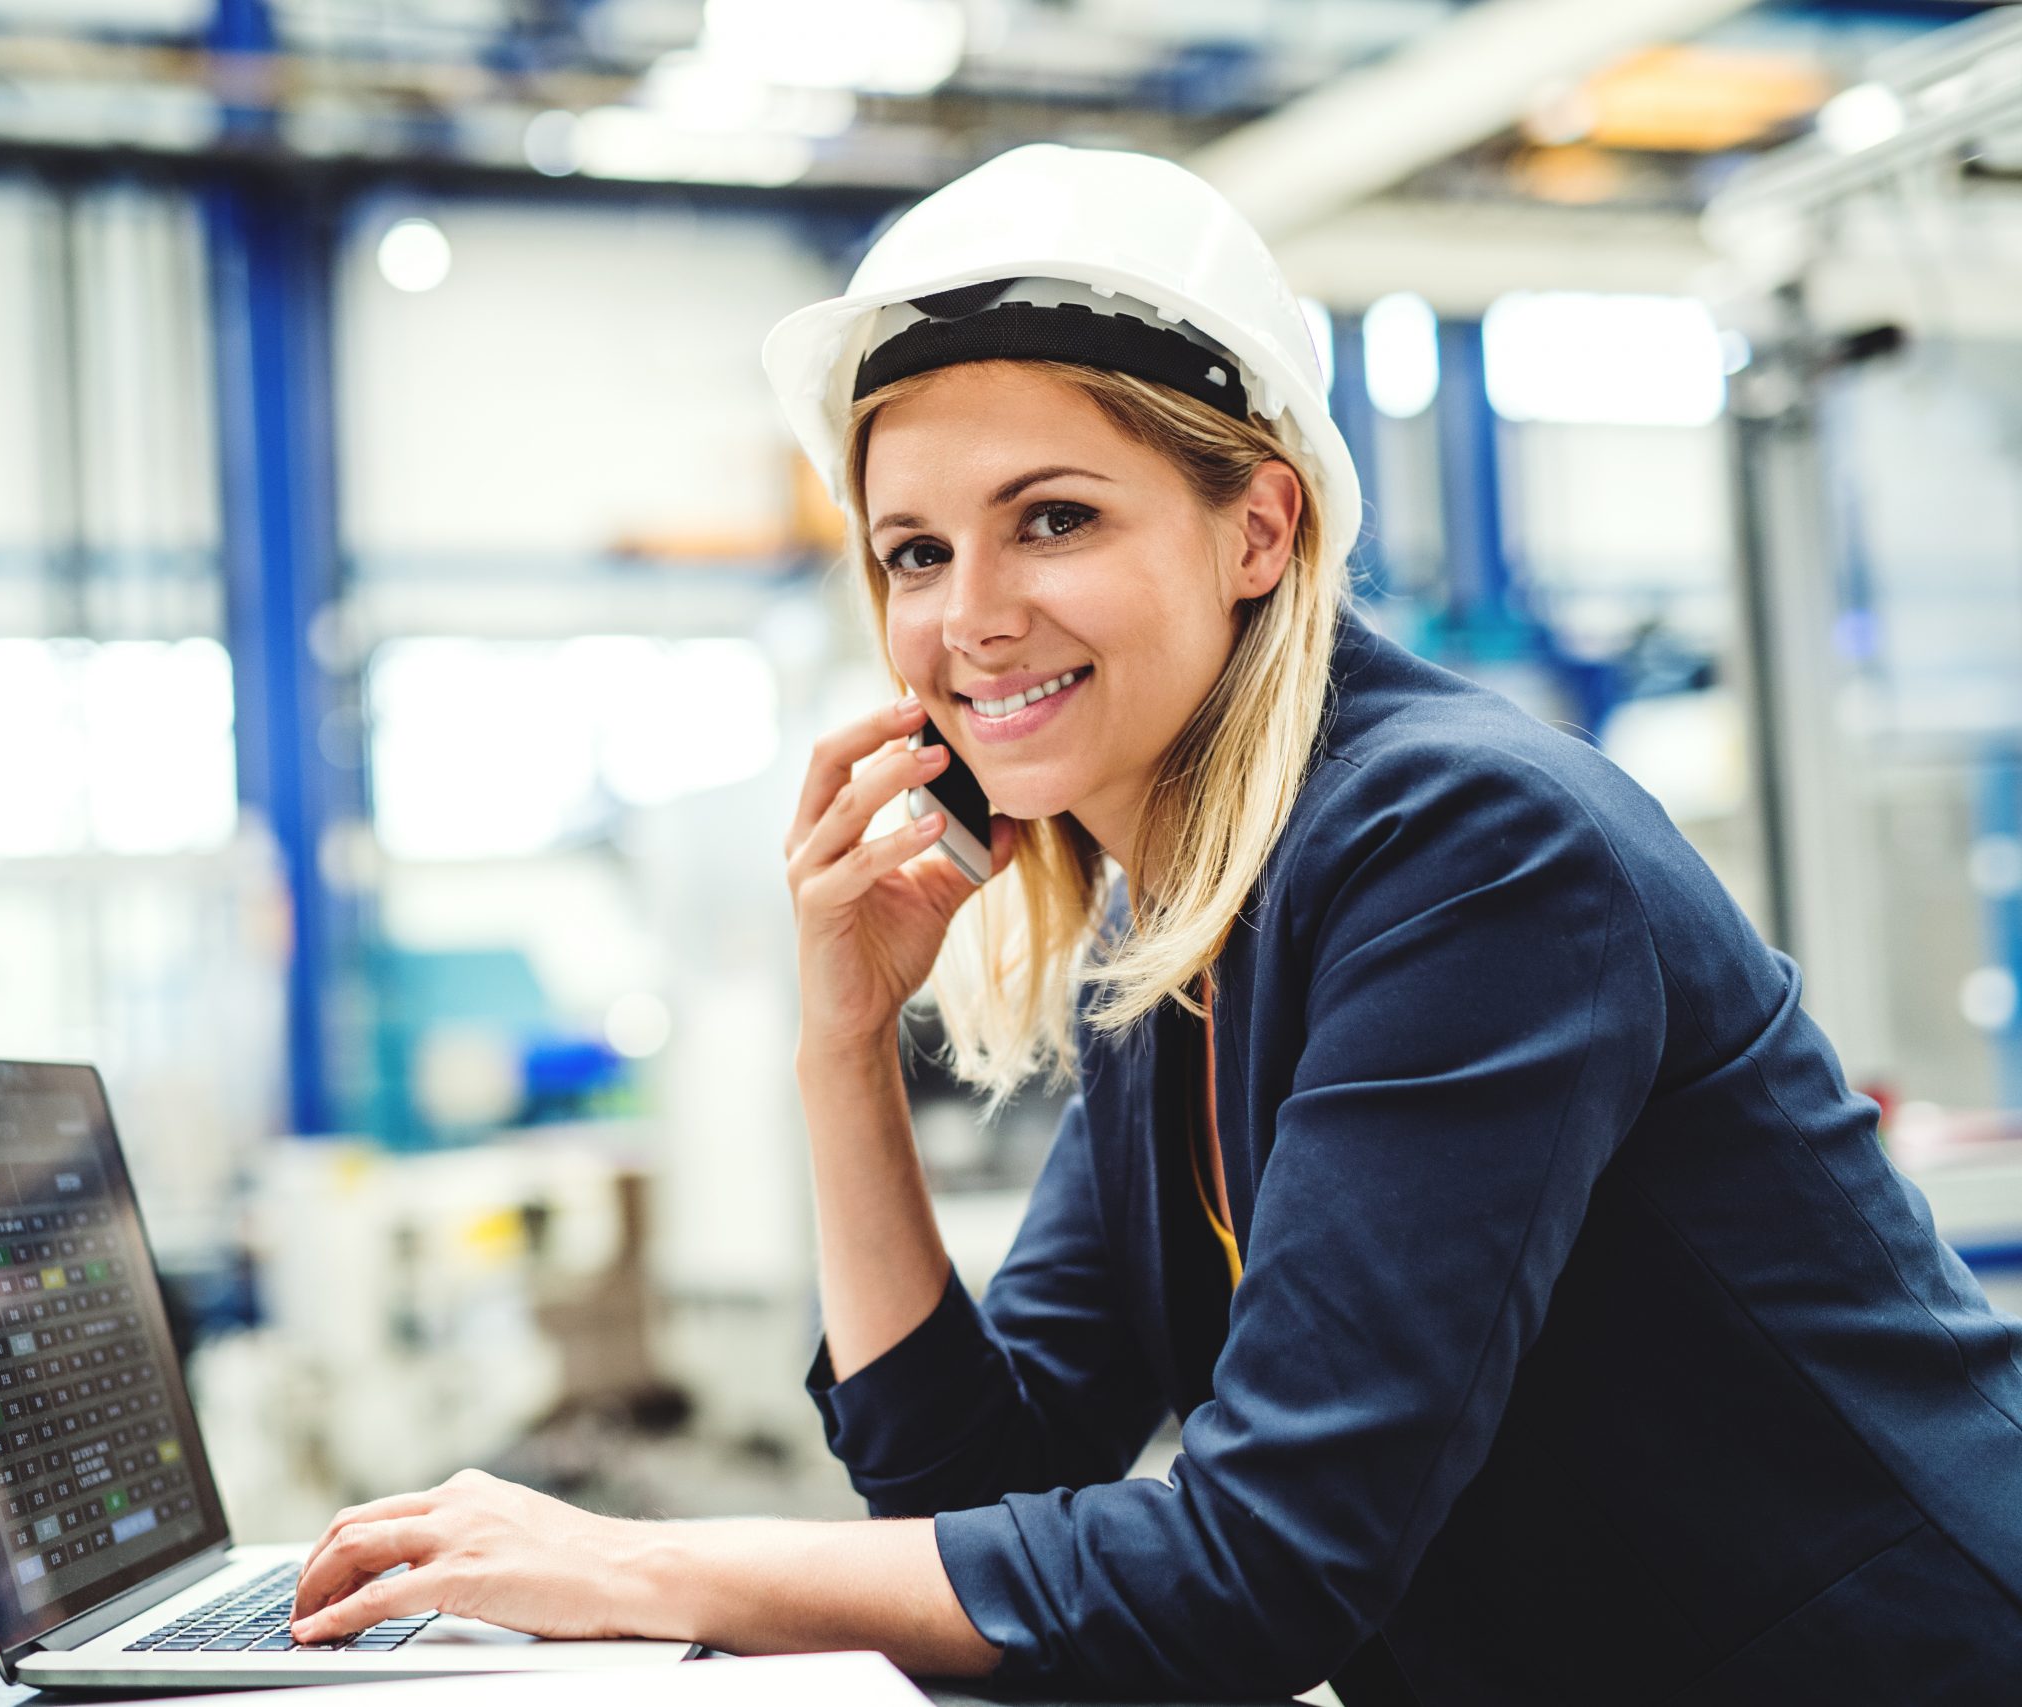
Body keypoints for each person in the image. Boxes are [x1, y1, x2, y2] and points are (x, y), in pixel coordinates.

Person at [287, 145, 2022, 1703]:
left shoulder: (1469, 852)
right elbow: (975, 1501)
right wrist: (840, 1051)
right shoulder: (1186, 917)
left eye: (1054, 518)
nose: (971, 617)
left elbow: (1266, 1571)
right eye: (912, 553)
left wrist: (646, 1565)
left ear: (1257, 525)